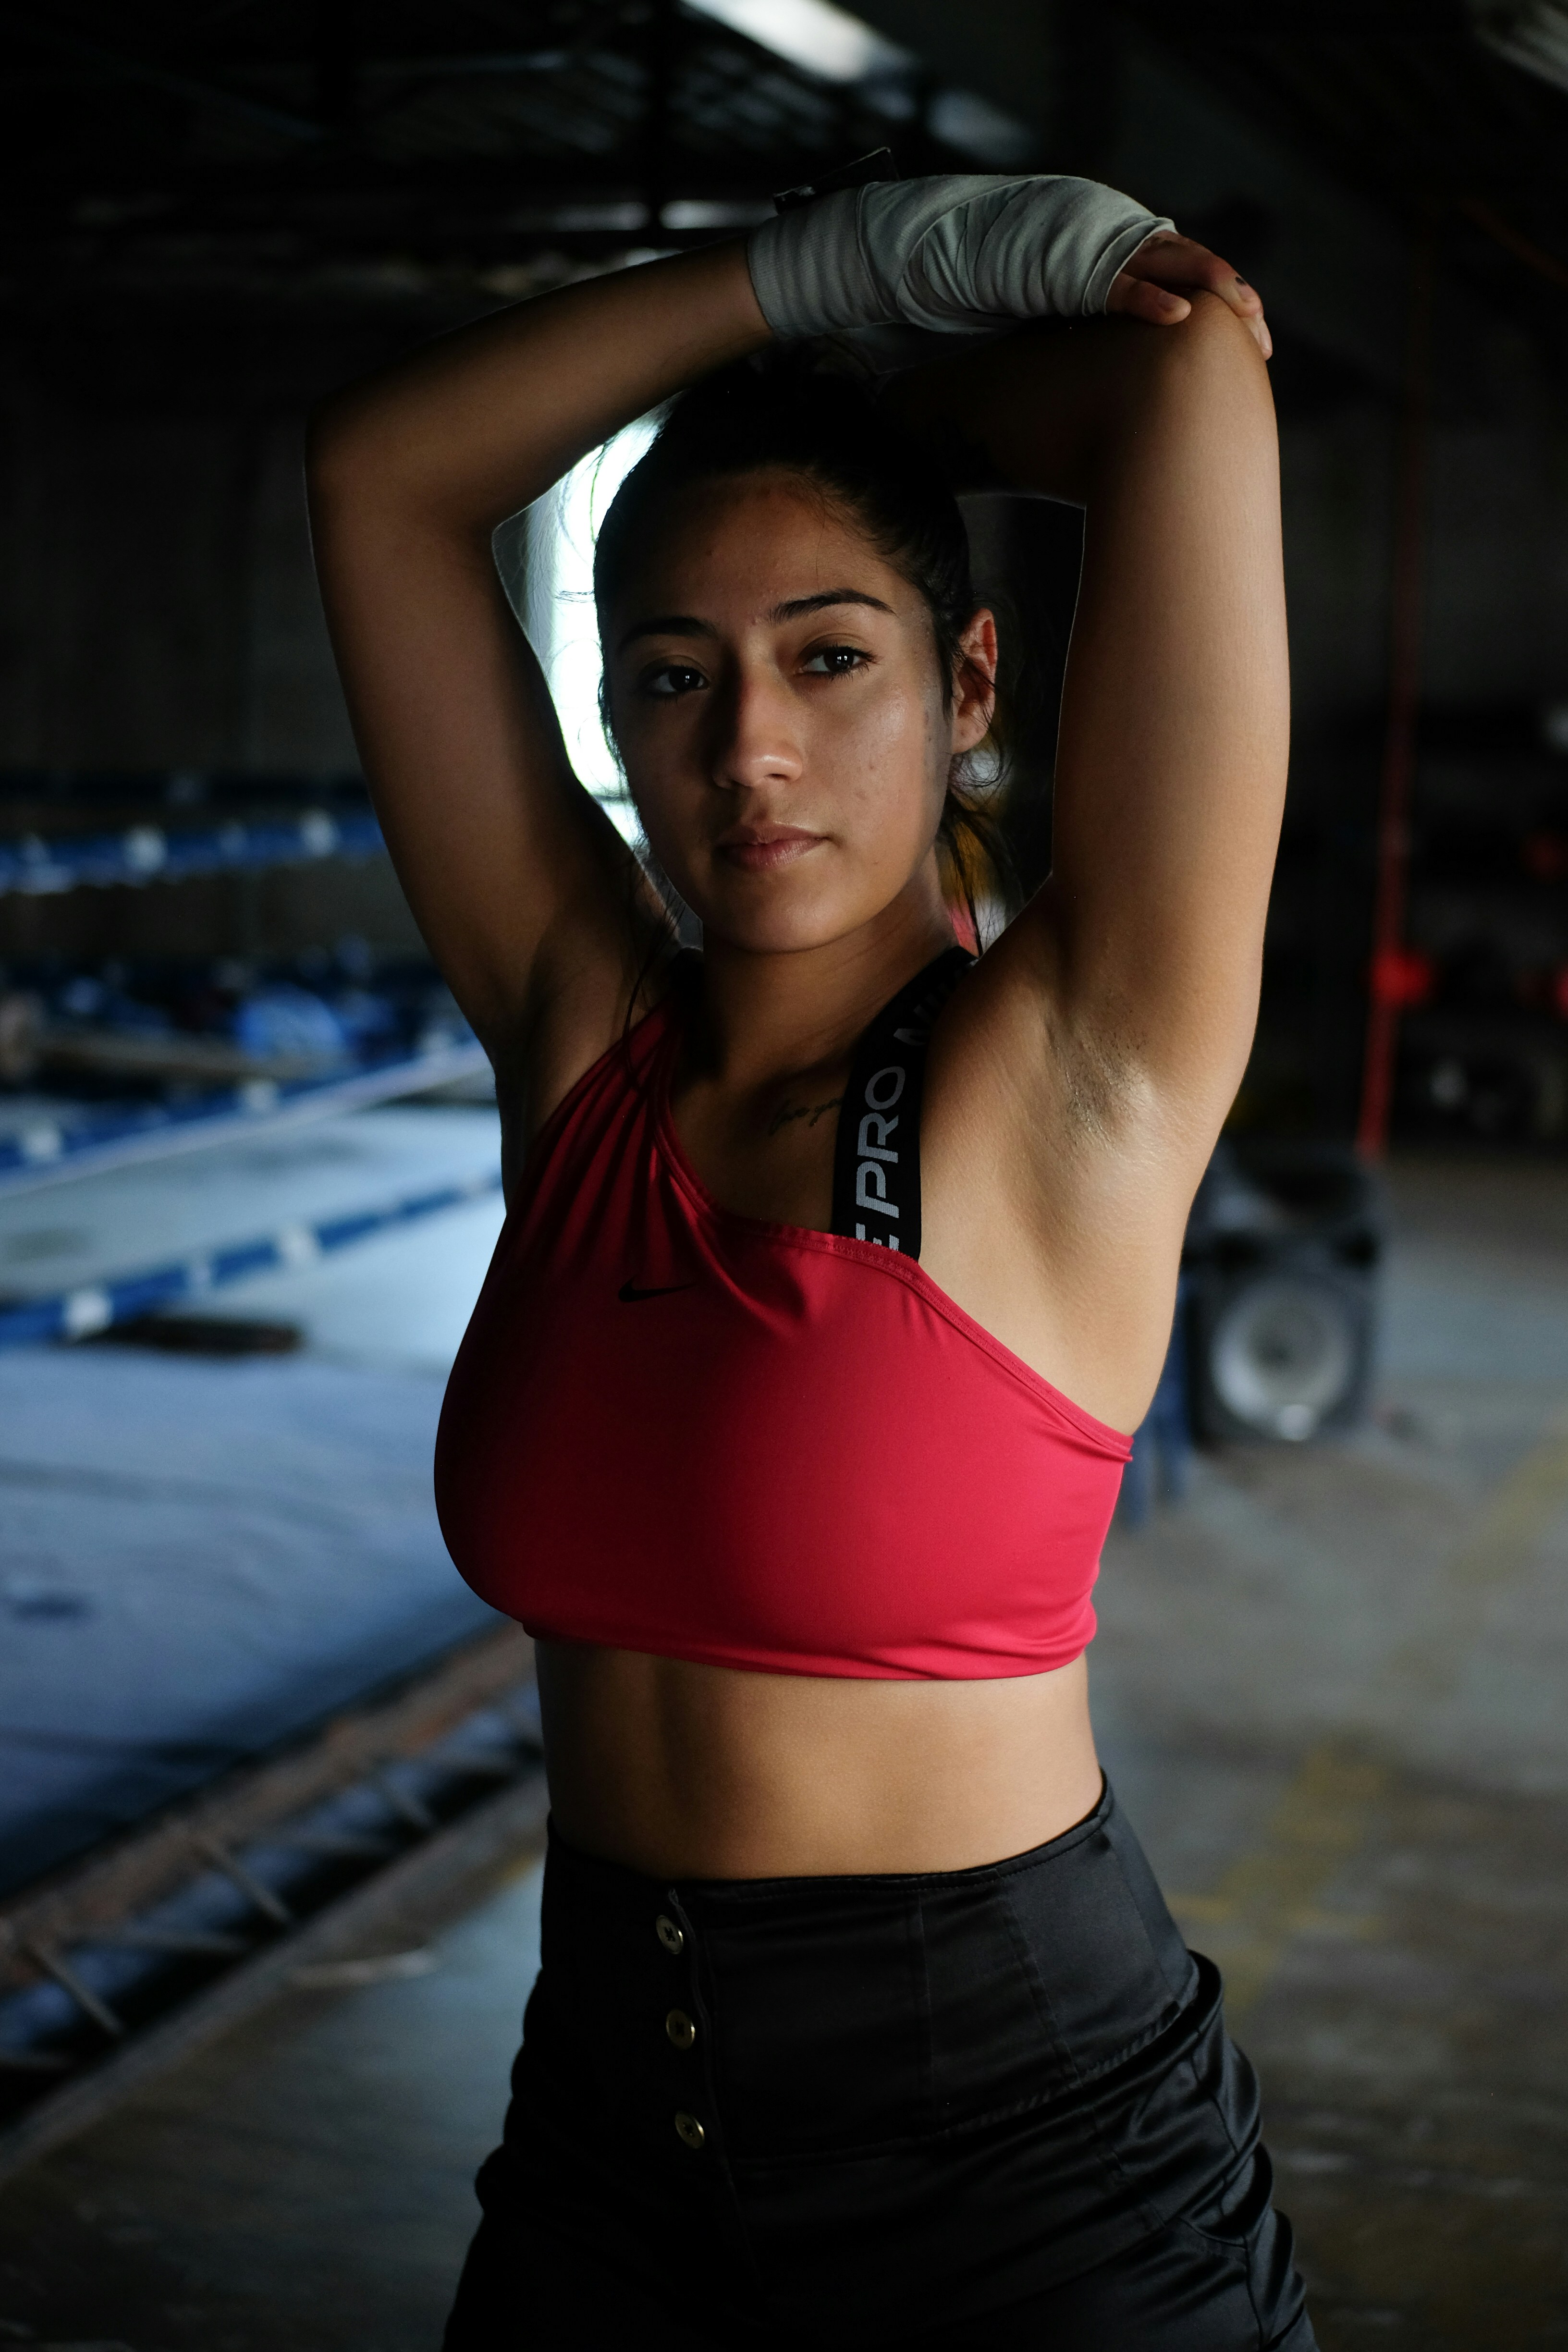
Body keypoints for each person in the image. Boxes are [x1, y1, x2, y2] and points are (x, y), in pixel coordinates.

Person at [308, 171, 1305, 2350]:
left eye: (828, 658)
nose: (744, 748)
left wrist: (866, 405)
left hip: (1022, 2172)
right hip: (599, 2138)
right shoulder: (576, 1038)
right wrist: (805, 280)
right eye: (672, 672)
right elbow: (384, 478)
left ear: (967, 683)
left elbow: (1186, 368)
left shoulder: (1070, 1072)